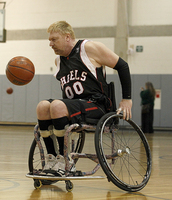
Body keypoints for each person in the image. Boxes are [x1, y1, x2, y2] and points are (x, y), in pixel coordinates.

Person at [36, 21, 132, 173]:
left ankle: (65, 160)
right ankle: (52, 159)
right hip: (73, 106)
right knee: (42, 106)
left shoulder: (89, 48)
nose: (50, 44)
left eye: (54, 39)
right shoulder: (59, 60)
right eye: (49, 40)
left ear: (67, 37)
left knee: (56, 105)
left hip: (97, 105)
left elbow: (123, 66)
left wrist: (127, 99)